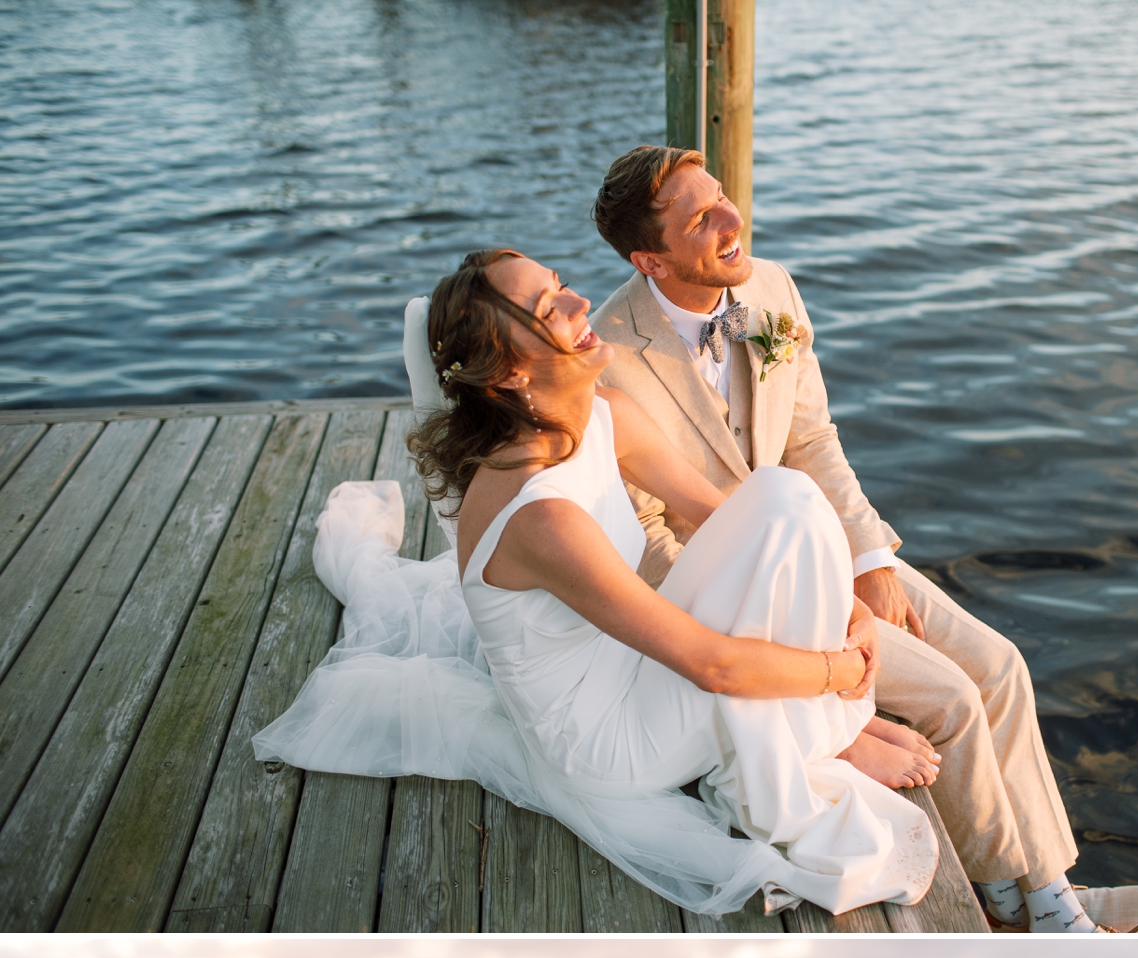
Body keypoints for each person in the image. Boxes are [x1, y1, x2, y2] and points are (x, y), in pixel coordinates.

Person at [254, 249, 938, 919]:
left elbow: (727, 513)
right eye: (552, 307)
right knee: (779, 533)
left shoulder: (599, 412)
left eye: (562, 285)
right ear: (512, 372)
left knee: (784, 495)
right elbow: (712, 664)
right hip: (608, 738)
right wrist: (838, 669)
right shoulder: (539, 515)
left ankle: (824, 723)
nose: (582, 302)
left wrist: (842, 594)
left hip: (636, 664)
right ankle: (820, 736)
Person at [591, 144, 1138, 935]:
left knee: (1001, 667)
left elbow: (811, 442)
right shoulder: (610, 356)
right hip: (740, 599)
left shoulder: (770, 287)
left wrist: (867, 562)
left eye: (723, 196)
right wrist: (784, 621)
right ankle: (1039, 910)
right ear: (649, 259)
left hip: (828, 549)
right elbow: (647, 536)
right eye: (702, 218)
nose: (734, 220)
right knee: (954, 701)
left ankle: (1035, 888)